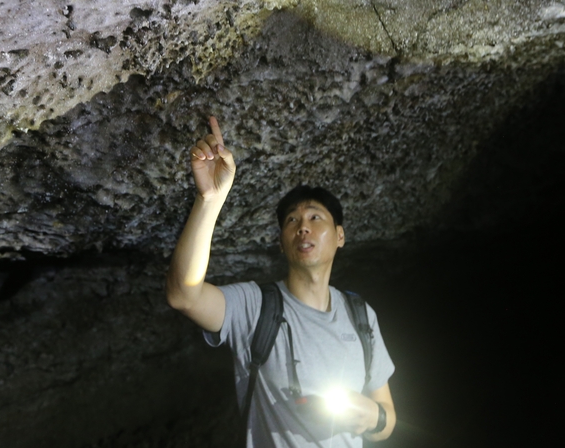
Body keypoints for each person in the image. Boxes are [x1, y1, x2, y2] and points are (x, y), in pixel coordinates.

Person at [166, 116, 397, 447]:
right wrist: (210, 199)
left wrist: (374, 417)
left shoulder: (362, 315)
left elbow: (388, 418)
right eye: (292, 221)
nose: (302, 227)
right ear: (281, 242)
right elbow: (182, 296)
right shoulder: (256, 306)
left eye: (315, 217)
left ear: (340, 236)